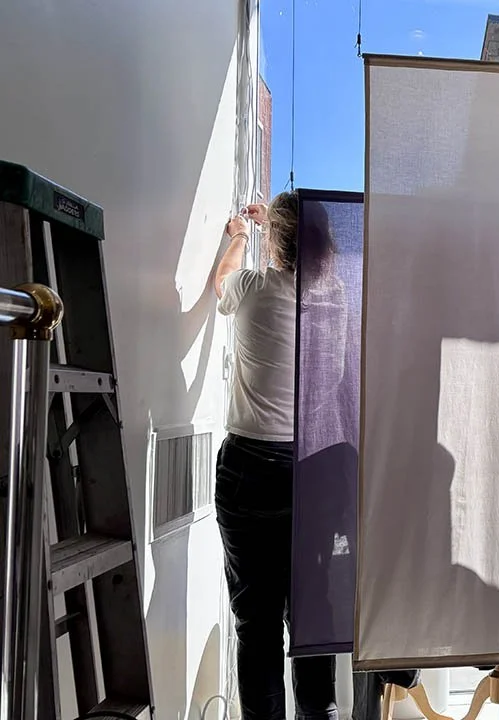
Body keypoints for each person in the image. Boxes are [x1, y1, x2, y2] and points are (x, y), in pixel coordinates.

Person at [215, 192, 337, 720]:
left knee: (257, 625)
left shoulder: (253, 291)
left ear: (278, 244)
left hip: (249, 473)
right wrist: (280, 228)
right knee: (311, 619)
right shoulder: (335, 305)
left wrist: (242, 232)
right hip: (313, 475)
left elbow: (222, 280)